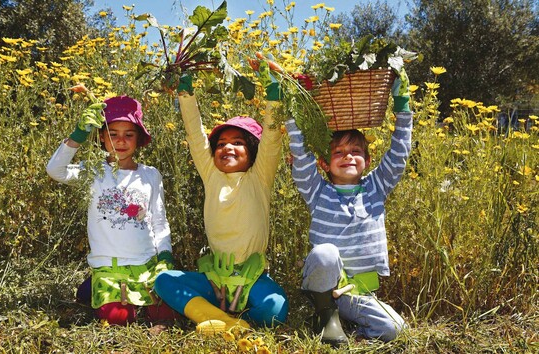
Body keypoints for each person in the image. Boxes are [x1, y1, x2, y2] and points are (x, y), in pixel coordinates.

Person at [153, 68, 288, 334]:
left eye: (237, 142)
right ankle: (223, 321)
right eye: (220, 144)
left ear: (252, 151)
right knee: (164, 280)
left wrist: (274, 92)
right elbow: (195, 135)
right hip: (214, 279)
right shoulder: (211, 176)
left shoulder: (259, 178)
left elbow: (272, 138)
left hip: (251, 279)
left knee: (275, 309)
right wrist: (186, 94)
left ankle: (219, 315)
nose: (227, 147)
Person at [286, 70, 412, 344]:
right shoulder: (317, 191)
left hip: (357, 293)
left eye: (356, 151)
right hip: (323, 284)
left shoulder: (377, 187)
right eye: (338, 152)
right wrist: (292, 107)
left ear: (367, 160)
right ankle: (323, 313)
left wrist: (402, 104)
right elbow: (300, 155)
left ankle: (353, 331)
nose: (348, 157)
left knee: (396, 330)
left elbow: (399, 153)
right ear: (324, 164)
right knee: (325, 253)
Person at [46, 95, 177, 326]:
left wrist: (164, 256)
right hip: (109, 265)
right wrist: (77, 136)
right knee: (118, 319)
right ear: (102, 137)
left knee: (165, 313)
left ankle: (95, 292)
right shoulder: (94, 171)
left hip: (146, 264)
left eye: (129, 134)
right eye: (113, 133)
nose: (121, 141)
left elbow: (159, 220)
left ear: (139, 139)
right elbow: (56, 170)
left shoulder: (150, 175)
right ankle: (97, 289)